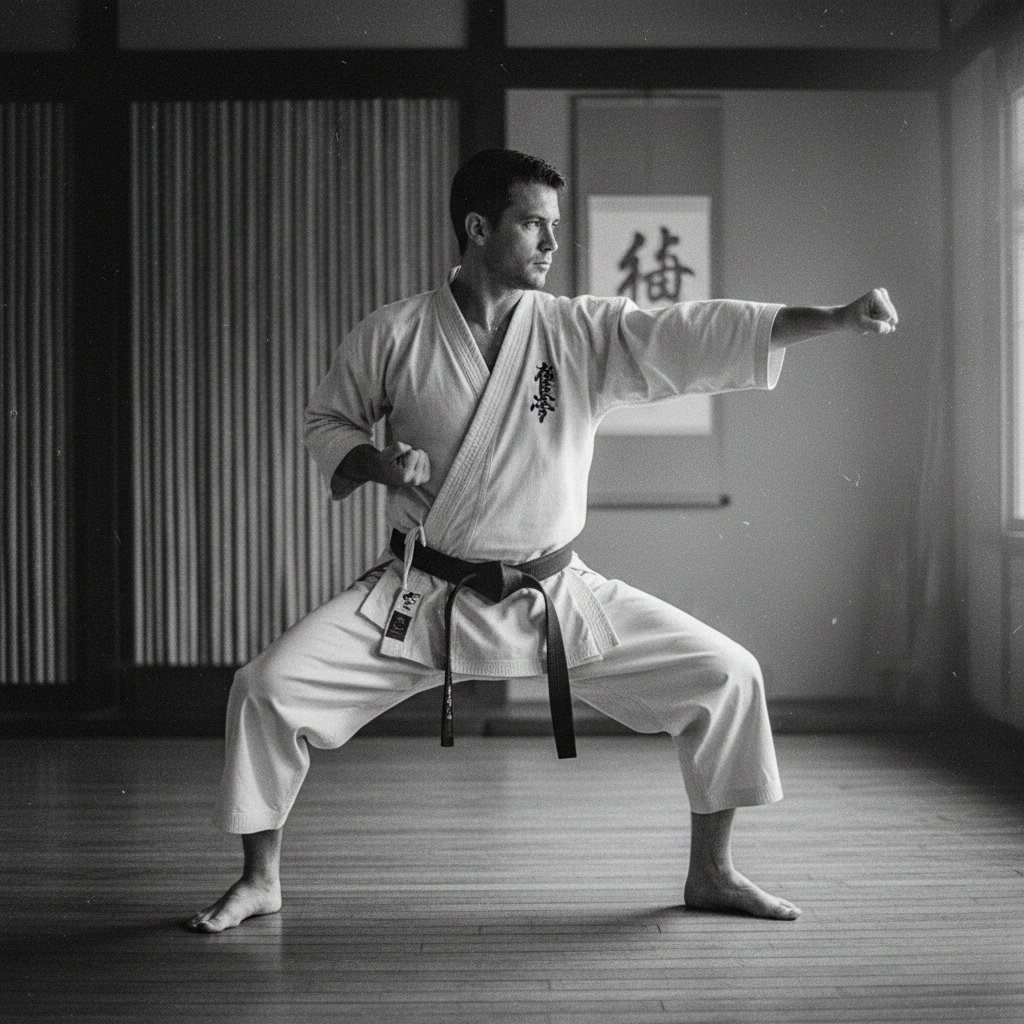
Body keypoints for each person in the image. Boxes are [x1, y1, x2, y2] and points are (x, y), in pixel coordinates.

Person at [188, 149, 897, 933]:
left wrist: (830, 319)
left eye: (554, 227)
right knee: (264, 688)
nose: (551, 244)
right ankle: (260, 878)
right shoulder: (393, 333)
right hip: (421, 594)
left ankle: (713, 871)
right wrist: (375, 462)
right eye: (533, 224)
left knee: (727, 676)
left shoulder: (579, 331)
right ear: (477, 226)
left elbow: (696, 332)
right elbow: (329, 424)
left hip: (554, 594)